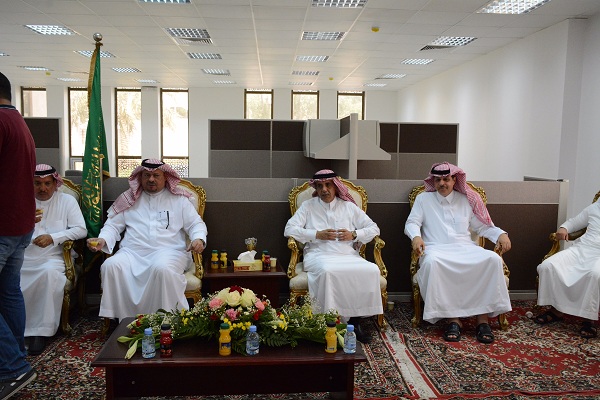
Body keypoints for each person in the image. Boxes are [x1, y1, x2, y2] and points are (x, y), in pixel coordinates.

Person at [404, 162, 512, 344]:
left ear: (455, 180)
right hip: (436, 248)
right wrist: (416, 237)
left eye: (446, 179)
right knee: (432, 263)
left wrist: (500, 234)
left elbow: (482, 226)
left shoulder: (466, 199)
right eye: (437, 180)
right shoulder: (424, 199)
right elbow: (412, 222)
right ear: (433, 181)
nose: (442, 183)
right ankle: (453, 320)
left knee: (493, 259)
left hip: (466, 248)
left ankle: (482, 320)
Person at [87, 159, 207, 321]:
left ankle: (166, 321)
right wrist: (103, 239)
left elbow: (195, 224)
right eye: (146, 175)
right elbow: (112, 226)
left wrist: (198, 238)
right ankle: (125, 320)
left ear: (165, 177)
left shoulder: (179, 200)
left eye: (156, 175)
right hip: (133, 253)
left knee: (162, 269)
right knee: (111, 266)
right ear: (140, 177)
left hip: (169, 252)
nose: (151, 179)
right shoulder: (128, 199)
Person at [284, 169, 383, 343]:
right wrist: (316, 234)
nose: (324, 189)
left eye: (328, 185)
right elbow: (289, 229)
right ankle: (330, 322)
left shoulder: (348, 207)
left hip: (348, 255)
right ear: (316, 188)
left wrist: (354, 234)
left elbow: (374, 228)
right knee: (329, 271)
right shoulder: (308, 206)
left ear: (336, 186)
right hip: (318, 255)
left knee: (371, 269)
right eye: (320, 186)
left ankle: (355, 322)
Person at [21, 164, 87, 355]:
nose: (43, 188)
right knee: (12, 276)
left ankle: (40, 332)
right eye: (37, 183)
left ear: (55, 183)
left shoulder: (66, 201)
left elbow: (81, 230)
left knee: (49, 274)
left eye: (47, 183)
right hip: (24, 256)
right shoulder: (22, 200)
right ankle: (18, 330)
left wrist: (53, 238)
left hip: (54, 257)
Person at [0, 71, 38, 398]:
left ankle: (13, 367)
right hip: (20, 225)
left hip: (3, 226)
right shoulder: (18, 121)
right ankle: (15, 357)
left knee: (9, 292)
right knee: (8, 292)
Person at [534, 199, 600, 338]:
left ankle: (588, 318)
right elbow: (573, 222)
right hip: (582, 249)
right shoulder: (595, 207)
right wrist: (564, 228)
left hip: (598, 254)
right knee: (548, 266)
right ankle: (556, 310)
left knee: (595, 274)